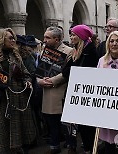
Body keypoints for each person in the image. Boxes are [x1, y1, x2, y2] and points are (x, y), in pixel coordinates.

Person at [62, 24, 99, 154]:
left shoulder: (89, 51)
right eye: (71, 34)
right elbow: (65, 71)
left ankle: (90, 148)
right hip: (77, 91)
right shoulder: (76, 51)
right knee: (81, 125)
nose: (71, 37)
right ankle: (88, 147)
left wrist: (72, 70)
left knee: (88, 125)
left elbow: (84, 72)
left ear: (81, 36)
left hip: (86, 93)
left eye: (74, 35)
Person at [37, 26, 73, 154]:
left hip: (61, 90)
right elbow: (39, 70)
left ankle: (70, 145)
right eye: (44, 37)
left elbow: (67, 72)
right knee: (51, 122)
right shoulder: (43, 51)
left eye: (48, 37)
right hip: (46, 92)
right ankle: (54, 146)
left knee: (65, 123)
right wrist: (39, 81)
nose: (44, 40)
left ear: (57, 39)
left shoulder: (69, 51)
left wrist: (52, 81)